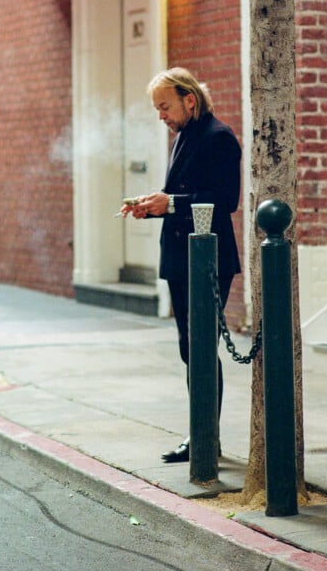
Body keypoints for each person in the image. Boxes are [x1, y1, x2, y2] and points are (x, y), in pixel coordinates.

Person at [121, 67, 241, 463]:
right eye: (157, 109)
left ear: (189, 99)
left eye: (164, 107)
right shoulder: (185, 135)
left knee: (201, 346)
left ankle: (205, 440)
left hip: (208, 259)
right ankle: (202, 435)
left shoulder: (218, 137)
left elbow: (225, 200)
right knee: (190, 349)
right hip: (180, 257)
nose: (161, 116)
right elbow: (185, 196)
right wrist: (152, 206)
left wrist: (169, 203)